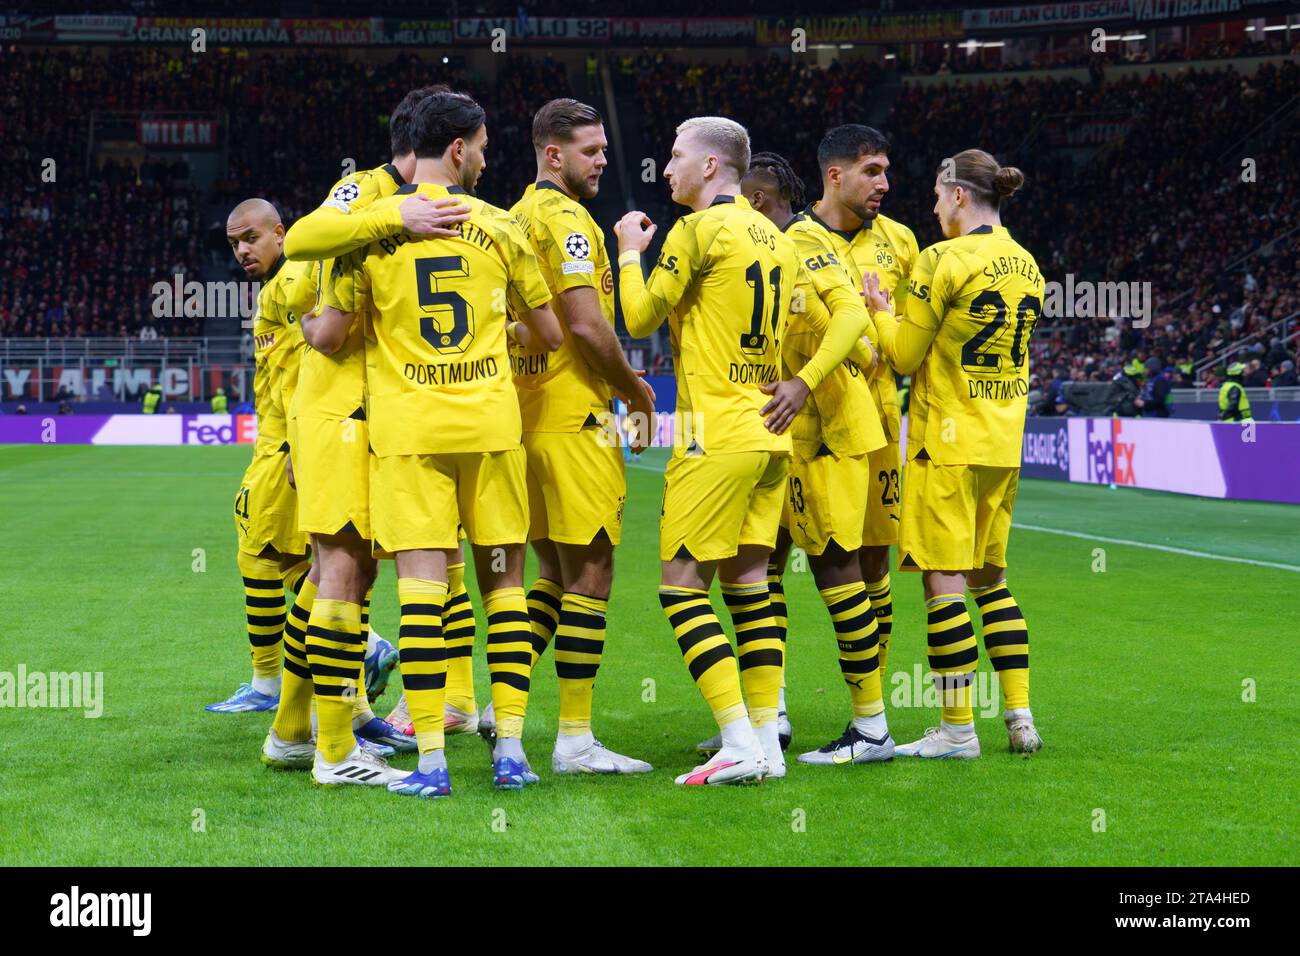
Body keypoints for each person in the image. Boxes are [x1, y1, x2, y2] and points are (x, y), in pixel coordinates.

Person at [327, 88, 563, 797]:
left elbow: (332, 336)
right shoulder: (503, 227)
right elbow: (550, 336)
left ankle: (430, 762)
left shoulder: (368, 230)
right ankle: (512, 752)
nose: (488, 161)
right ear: (457, 149)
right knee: (505, 592)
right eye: (485, 147)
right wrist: (497, 335)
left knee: (423, 596)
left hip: (411, 436)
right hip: (490, 430)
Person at [265, 85, 475, 785]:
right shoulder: (364, 192)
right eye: (476, 146)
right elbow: (301, 244)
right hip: (340, 415)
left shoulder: (415, 214)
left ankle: (301, 728)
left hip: (367, 415)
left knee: (342, 572)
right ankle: (332, 752)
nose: (482, 159)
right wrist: (395, 212)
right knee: (343, 572)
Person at [614, 117, 822, 786]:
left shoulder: (700, 230)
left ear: (711, 167)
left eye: (676, 156)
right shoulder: (778, 240)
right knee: (750, 586)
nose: (667, 168)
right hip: (769, 436)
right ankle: (767, 743)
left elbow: (638, 317)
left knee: (680, 589)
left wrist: (625, 251)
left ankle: (736, 738)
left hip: (717, 434)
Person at [869, 148, 1045, 758]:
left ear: (960, 194)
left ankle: (957, 730)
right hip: (1004, 441)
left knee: (944, 587)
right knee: (991, 582)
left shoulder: (941, 258)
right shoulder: (1027, 263)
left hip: (946, 445)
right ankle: (1020, 717)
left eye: (939, 195)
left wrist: (879, 309)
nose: (934, 205)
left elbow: (904, 357)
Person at [504, 98, 656, 775]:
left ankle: (499, 709)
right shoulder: (567, 220)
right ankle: (575, 739)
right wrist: (635, 388)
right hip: (575, 417)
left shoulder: (514, 215)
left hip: (524, 416)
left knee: (551, 572)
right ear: (554, 153)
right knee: (591, 570)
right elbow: (588, 327)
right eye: (591, 150)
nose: (602, 160)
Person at [737, 150, 897, 768]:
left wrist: (805, 378)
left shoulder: (805, 238)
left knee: (837, 570)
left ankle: (871, 727)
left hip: (827, 432)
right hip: (783, 435)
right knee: (764, 570)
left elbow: (860, 334)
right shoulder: (764, 256)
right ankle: (768, 715)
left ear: (758, 201)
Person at [802, 125, 919, 687]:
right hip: (816, 424)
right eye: (872, 171)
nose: (884, 184)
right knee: (810, 560)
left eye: (886, 171)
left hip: (881, 422)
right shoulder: (796, 239)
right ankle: (770, 709)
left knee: (875, 563)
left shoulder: (901, 242)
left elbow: (911, 345)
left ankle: (872, 702)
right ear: (835, 174)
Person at [206, 198, 313, 715]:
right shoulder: (283, 284)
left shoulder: (290, 286)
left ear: (281, 232)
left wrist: (297, 444)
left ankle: (269, 683)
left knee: (258, 554)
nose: (242, 251)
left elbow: (303, 373)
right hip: (283, 442)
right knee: (293, 559)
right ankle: (363, 655)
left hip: (284, 448)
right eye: (233, 244)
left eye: (250, 238)